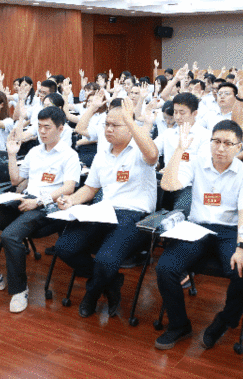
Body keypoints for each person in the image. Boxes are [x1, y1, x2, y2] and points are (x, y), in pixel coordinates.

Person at [0, 106, 80, 313]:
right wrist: (11, 154)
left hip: (48, 206)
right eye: (39, 126)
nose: (42, 131)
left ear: (61, 129)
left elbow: (69, 188)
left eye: (47, 127)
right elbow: (16, 180)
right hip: (26, 199)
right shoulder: (34, 152)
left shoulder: (69, 155)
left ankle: (19, 290)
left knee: (9, 236)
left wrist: (40, 201)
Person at [154, 120, 243, 350]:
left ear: (239, 147)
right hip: (197, 227)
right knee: (165, 268)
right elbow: (168, 185)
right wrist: (179, 150)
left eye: (228, 143)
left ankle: (225, 320)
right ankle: (179, 325)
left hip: (229, 230)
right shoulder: (197, 162)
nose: (220, 148)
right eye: (216, 141)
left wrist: (242, 246)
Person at [54, 98, 158, 319]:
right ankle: (111, 282)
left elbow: (152, 155)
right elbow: (90, 188)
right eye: (106, 124)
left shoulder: (140, 149)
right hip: (104, 211)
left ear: (129, 126)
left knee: (105, 260)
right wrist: (71, 200)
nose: (109, 129)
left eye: (115, 125)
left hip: (135, 216)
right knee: (64, 247)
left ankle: (91, 294)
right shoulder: (102, 154)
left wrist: (131, 121)